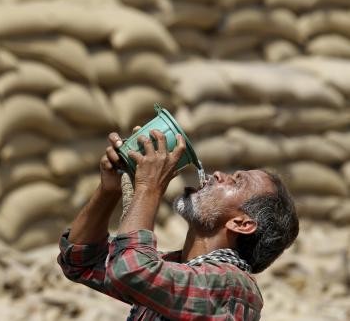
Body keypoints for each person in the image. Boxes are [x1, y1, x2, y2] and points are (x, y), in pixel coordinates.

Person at [58, 129, 299, 320]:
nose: (217, 174)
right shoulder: (172, 268)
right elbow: (81, 261)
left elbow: (132, 270)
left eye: (236, 182)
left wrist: (149, 187)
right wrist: (108, 191)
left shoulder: (235, 288)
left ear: (242, 223)